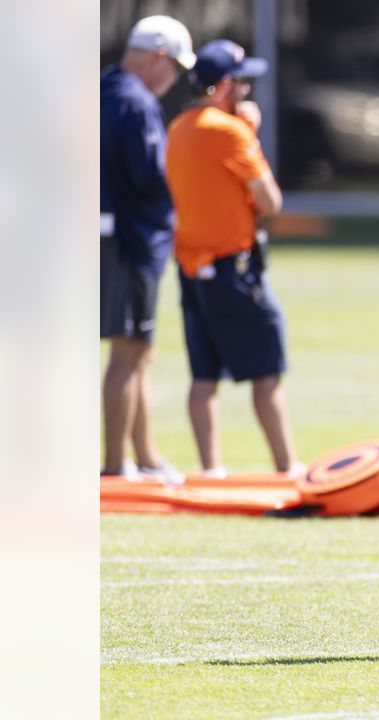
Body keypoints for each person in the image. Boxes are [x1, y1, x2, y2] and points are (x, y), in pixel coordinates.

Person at [165, 40, 302, 478]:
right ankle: (285, 467)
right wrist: (250, 135)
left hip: (191, 266)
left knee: (204, 376)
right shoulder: (229, 131)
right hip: (231, 266)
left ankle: (211, 469)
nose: (246, 91)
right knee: (266, 370)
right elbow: (270, 201)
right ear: (223, 85)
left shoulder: (179, 127)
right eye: (241, 82)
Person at [100, 15, 197, 480]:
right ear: (158, 56)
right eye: (174, 67)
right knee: (128, 354)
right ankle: (117, 465)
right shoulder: (134, 102)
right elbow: (152, 179)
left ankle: (146, 456)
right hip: (129, 241)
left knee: (139, 351)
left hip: (113, 235)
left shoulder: (102, 89)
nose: (174, 78)